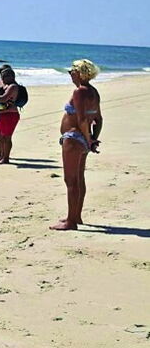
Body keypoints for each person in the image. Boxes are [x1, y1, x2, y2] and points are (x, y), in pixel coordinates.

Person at [51, 60, 102, 231]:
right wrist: (93, 138)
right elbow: (98, 119)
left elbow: (81, 119)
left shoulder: (79, 92)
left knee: (70, 180)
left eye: (71, 71)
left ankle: (71, 222)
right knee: (79, 178)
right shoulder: (93, 92)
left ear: (80, 73)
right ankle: (75, 216)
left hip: (74, 139)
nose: (70, 74)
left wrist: (89, 139)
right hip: (82, 139)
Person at [0, 67, 20, 164]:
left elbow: (3, 99)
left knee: (7, 137)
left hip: (11, 114)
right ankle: (3, 155)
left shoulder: (13, 86)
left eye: (4, 77)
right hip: (2, 113)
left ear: (10, 77)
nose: (2, 79)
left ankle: (6, 158)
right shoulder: (4, 84)